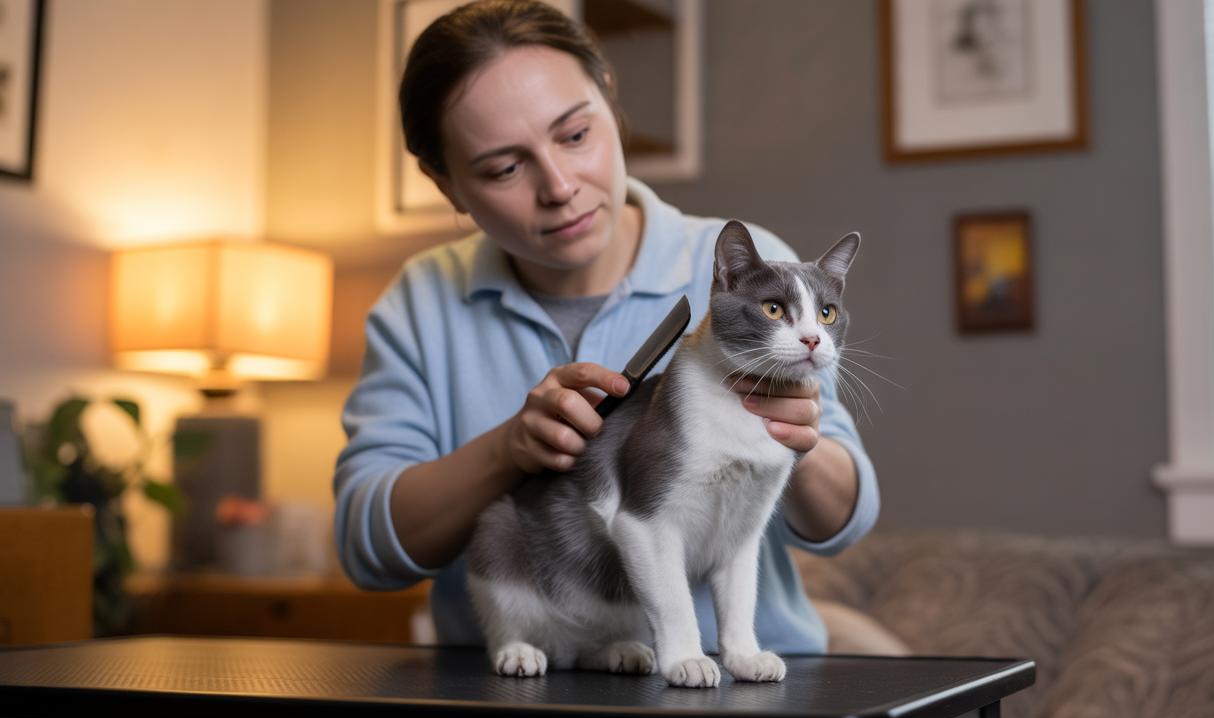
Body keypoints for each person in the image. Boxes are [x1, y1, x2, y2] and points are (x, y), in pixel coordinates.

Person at [333, 0, 879, 655]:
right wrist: (506, 451)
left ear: (610, 101)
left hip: (741, 681)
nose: (559, 186)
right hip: (517, 681)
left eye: (574, 135)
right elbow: (367, 552)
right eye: (504, 168)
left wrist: (793, 438)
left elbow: (845, 520)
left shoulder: (752, 273)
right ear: (445, 184)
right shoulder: (420, 304)